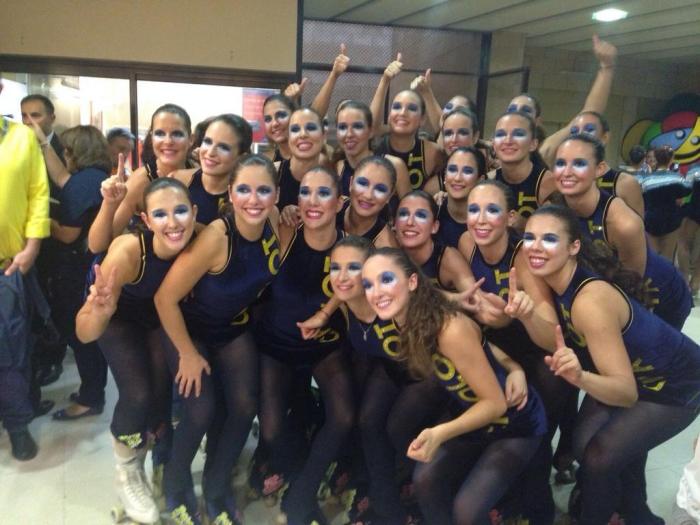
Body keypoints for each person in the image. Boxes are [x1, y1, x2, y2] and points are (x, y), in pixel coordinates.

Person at [519, 204, 700, 525]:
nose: (535, 246)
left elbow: (625, 393)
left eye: (549, 239)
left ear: (574, 247)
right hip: (634, 375)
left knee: (599, 457)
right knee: (585, 445)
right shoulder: (556, 281)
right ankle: (635, 514)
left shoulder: (589, 301)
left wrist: (580, 377)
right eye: (529, 237)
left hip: (678, 385)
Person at [361, 247, 547, 524]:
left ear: (412, 282)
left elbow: (495, 403)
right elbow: (483, 346)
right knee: (424, 479)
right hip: (472, 413)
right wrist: (513, 367)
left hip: (515, 420)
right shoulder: (408, 317)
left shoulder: (448, 328)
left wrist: (440, 432)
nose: (376, 292)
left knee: (466, 511)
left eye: (386, 279)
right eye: (368, 284)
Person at [154, 154, 280, 524]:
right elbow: (165, 299)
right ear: (231, 194)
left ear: (276, 195)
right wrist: (187, 354)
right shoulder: (215, 237)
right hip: (188, 329)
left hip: (231, 327)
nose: (253, 200)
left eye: (263, 190)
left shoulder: (274, 220)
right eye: (244, 190)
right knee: (200, 409)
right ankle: (175, 486)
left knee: (244, 405)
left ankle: (216, 485)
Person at [75, 177, 196, 524]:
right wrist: (101, 311)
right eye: (160, 214)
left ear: (194, 212)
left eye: (180, 211)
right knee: (137, 393)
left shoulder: (201, 239)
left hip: (159, 317)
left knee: (161, 393)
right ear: (146, 220)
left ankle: (156, 462)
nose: (172, 223)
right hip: (119, 318)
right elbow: (84, 332)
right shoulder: (129, 252)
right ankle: (127, 471)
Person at [254, 166, 353, 524]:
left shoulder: (350, 246)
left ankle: (301, 496)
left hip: (325, 347)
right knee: (270, 429)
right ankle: (301, 457)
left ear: (339, 202)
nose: (312, 201)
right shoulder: (285, 231)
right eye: (305, 192)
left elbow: (354, 287)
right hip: (277, 345)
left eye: (323, 193)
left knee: (344, 416)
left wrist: (326, 313)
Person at [552, 134, 692, 330]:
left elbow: (631, 290)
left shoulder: (623, 223)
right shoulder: (554, 209)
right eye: (560, 163)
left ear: (599, 169)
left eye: (579, 164)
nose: (567, 172)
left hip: (657, 293)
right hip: (605, 287)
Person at [30, 123, 111, 419]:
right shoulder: (94, 178)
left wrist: (39, 217)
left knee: (80, 335)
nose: (64, 155)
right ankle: (93, 391)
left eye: (66, 150)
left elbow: (67, 234)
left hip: (76, 271)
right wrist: (43, 143)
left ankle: (91, 398)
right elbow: (61, 177)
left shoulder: (81, 184)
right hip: (89, 267)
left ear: (74, 152)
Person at [0, 82, 50, 461]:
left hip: (7, 267)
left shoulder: (21, 138)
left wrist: (32, 244)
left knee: (11, 351)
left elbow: (37, 193)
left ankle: (17, 425)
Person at [88, 104, 194, 253]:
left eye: (177, 134)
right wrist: (109, 203)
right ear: (151, 138)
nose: (168, 141)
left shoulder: (199, 169)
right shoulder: (141, 182)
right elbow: (96, 246)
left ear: (190, 139)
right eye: (160, 134)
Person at [370, 54, 444, 193]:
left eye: (412, 108)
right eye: (397, 107)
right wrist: (385, 80)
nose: (403, 113)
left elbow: (446, 129)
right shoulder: (375, 147)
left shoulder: (432, 152)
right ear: (389, 115)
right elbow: (370, 127)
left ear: (422, 119)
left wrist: (427, 93)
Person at [569, 110, 645, 216]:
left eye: (589, 130)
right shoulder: (563, 181)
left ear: (604, 138)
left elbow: (638, 225)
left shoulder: (625, 184)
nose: (580, 135)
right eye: (574, 131)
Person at [489, 111, 555, 230]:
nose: (508, 141)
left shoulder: (547, 182)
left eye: (518, 134)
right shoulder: (489, 180)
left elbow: (554, 232)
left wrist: (523, 225)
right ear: (493, 144)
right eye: (501, 134)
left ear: (533, 144)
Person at [333, 100, 410, 199]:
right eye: (342, 127)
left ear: (370, 132)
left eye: (357, 126)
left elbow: (411, 206)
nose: (349, 134)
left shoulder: (395, 166)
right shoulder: (338, 168)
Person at [637, 145, 693, 261]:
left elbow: (642, 195)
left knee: (652, 256)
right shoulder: (677, 179)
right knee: (667, 257)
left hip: (651, 220)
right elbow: (687, 190)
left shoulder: (646, 179)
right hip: (671, 220)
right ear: (671, 160)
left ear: (656, 159)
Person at [275, 107, 328, 210]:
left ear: (323, 136)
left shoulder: (334, 177)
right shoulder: (273, 173)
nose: (303, 134)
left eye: (311, 128)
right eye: (295, 130)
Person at [434, 146, 485, 248]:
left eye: (467, 171)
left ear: (480, 180)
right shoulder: (432, 212)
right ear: (445, 176)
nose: (457, 178)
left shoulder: (489, 221)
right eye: (452, 170)